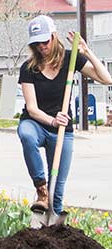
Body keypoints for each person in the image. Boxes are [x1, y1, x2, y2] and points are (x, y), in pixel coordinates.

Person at [18, 15, 112, 214]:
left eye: (45, 41)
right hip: (36, 123)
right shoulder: (28, 68)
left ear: (54, 36)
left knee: (58, 191)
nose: (42, 46)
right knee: (25, 134)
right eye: (37, 43)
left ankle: (53, 228)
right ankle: (41, 189)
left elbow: (106, 79)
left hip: (62, 130)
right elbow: (32, 108)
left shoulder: (70, 60)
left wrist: (87, 52)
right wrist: (52, 120)